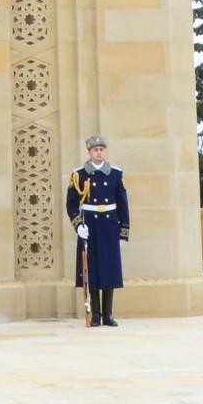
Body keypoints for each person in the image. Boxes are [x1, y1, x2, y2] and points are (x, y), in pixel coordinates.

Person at [65, 133, 130, 326]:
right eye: (95, 150)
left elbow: (123, 204)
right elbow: (71, 204)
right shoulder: (79, 175)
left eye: (101, 149)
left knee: (109, 270)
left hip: (109, 225)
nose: (98, 153)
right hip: (90, 225)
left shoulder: (116, 174)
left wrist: (123, 232)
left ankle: (108, 314)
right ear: (89, 152)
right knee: (91, 271)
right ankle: (95, 315)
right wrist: (78, 225)